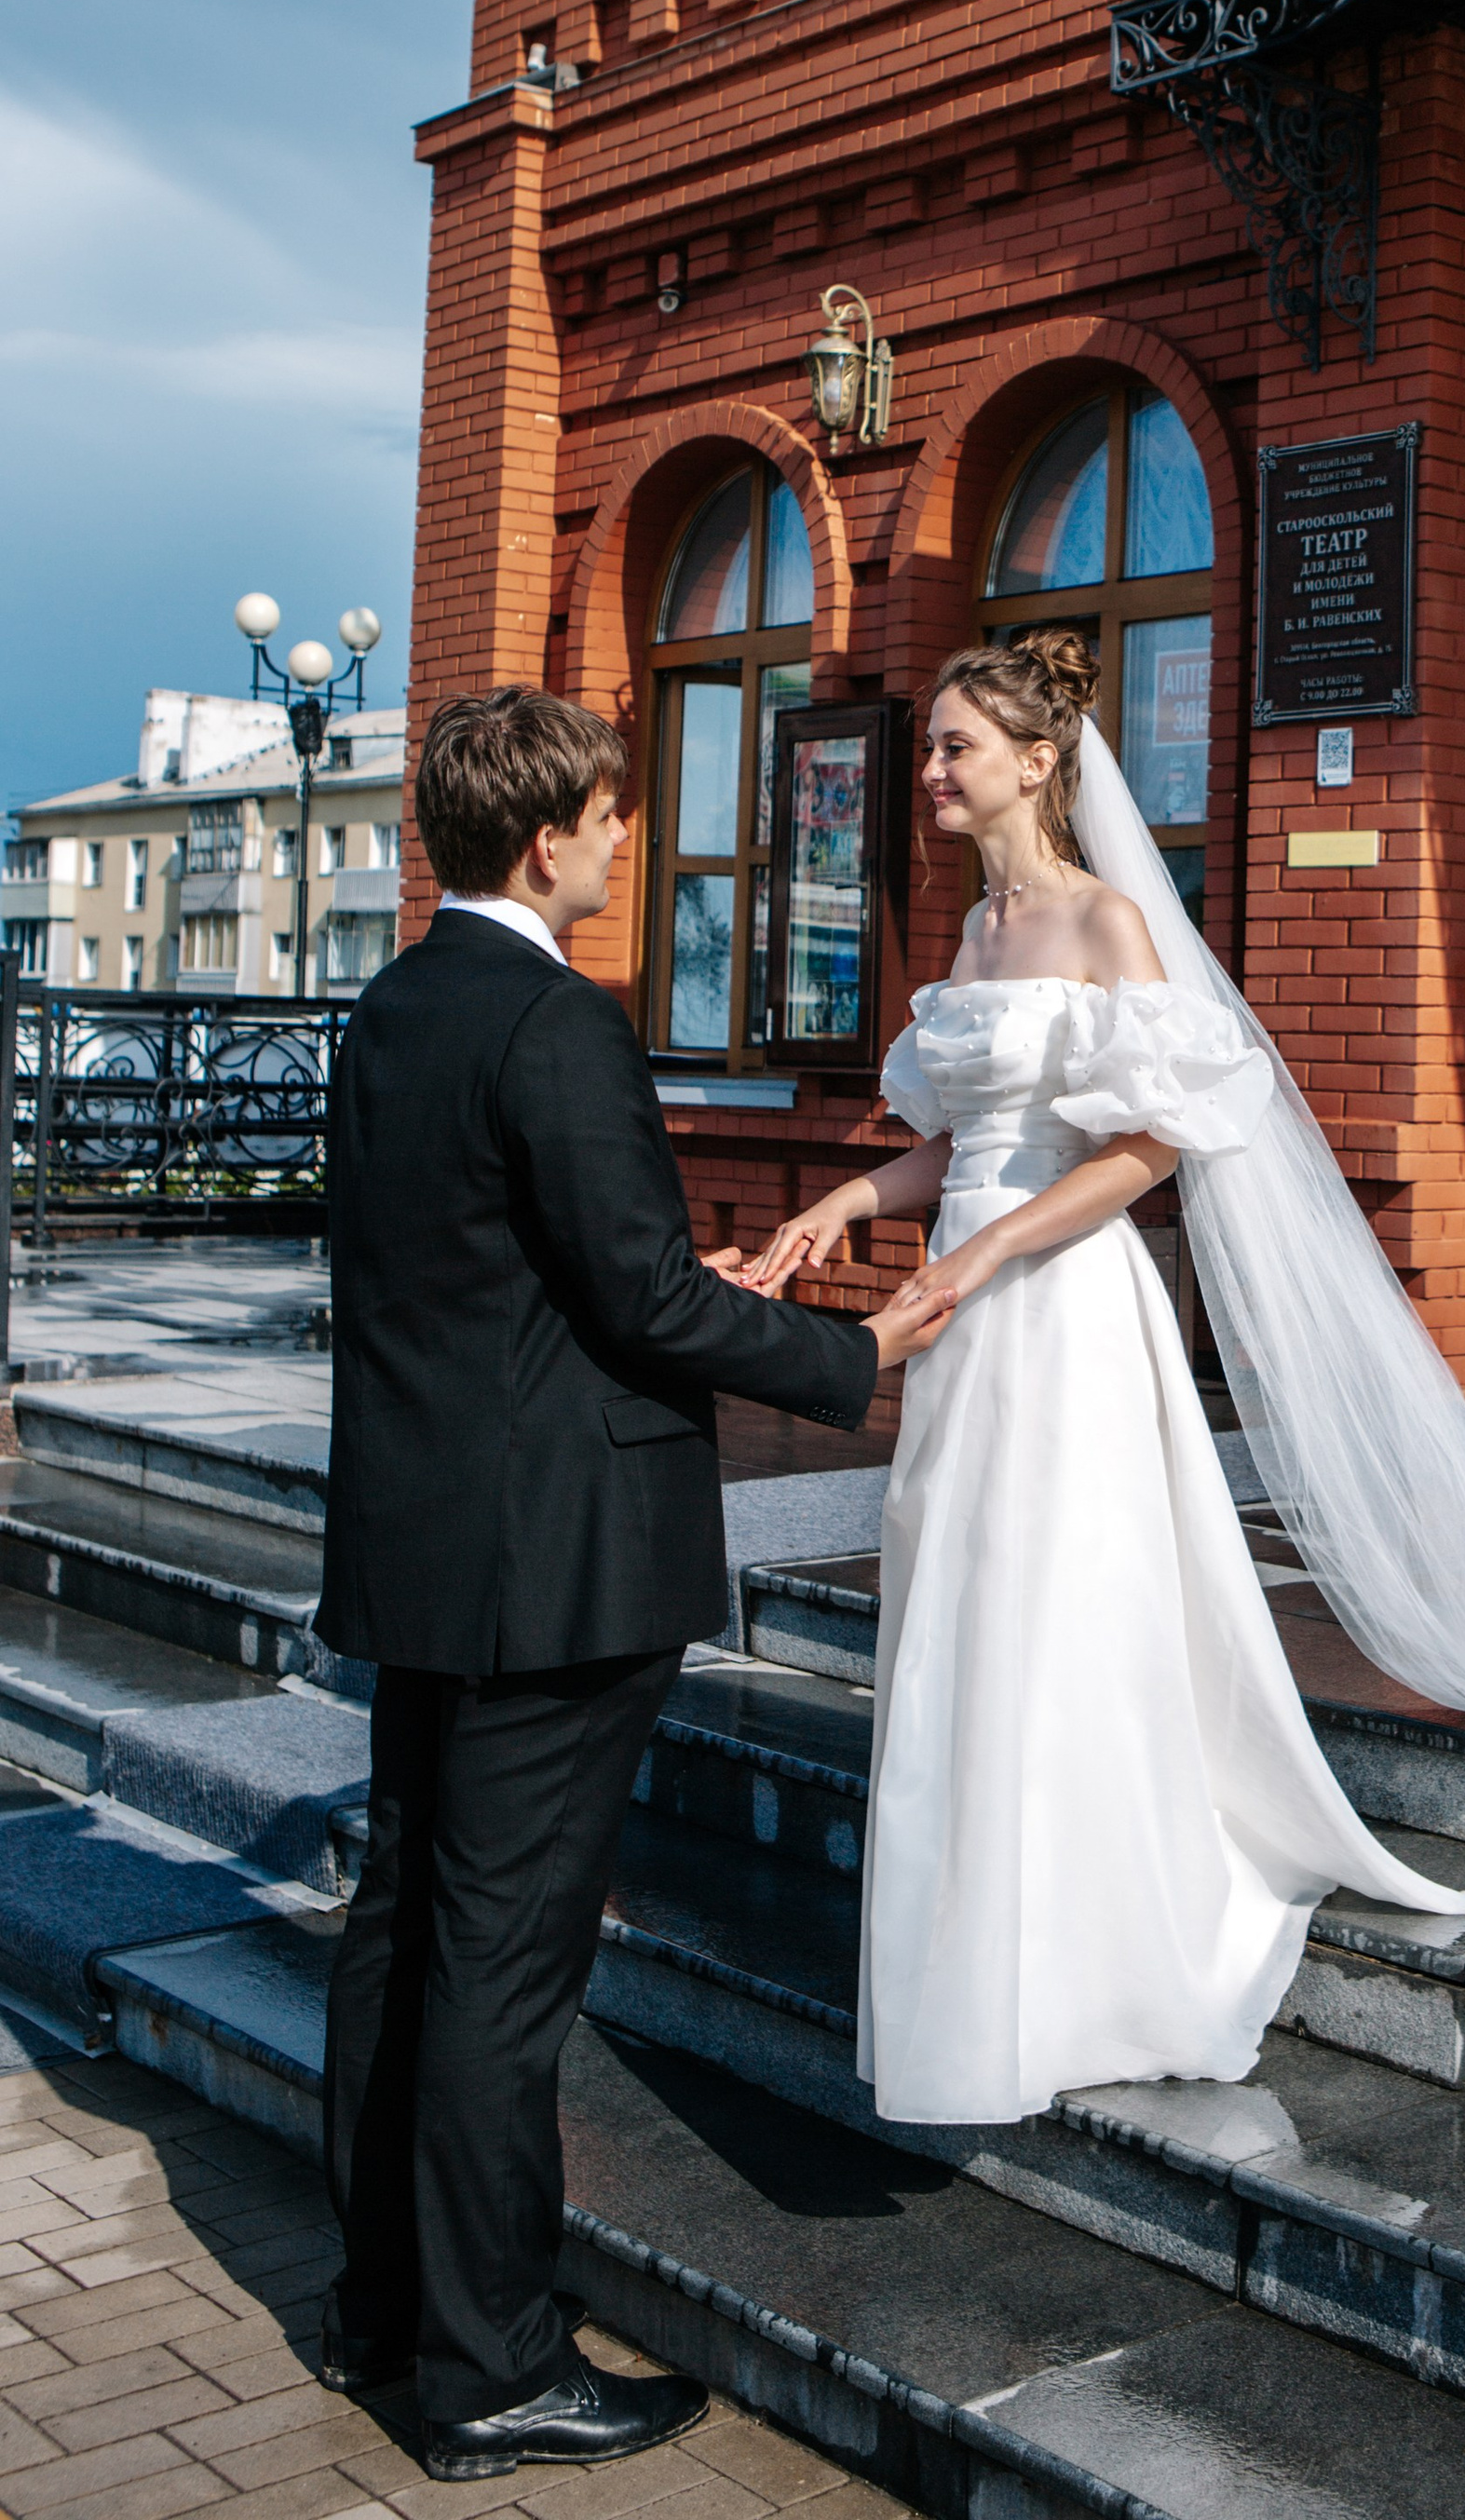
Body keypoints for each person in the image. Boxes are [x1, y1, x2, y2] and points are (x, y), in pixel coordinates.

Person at [741, 635, 1465, 2130]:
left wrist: (977, 1261)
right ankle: (974, 1944)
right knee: (964, 1597)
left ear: (1040, 760)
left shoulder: (1110, 920)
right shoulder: (978, 932)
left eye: (954, 747)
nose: (930, 770)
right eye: (930, 748)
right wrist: (848, 1208)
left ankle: (1105, 1946)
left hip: (1057, 1305)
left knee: (1063, 1596)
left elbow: (1148, 1149)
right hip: (964, 1312)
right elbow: (968, 1142)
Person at [315, 685, 955, 2482]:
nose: (626, 837)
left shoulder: (394, 1007)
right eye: (610, 813)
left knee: (406, 1934)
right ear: (547, 837)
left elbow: (509, 1271)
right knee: (503, 1971)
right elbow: (642, 1303)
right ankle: (493, 2366)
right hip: (556, 1566)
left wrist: (674, 1272)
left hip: (428, 1544)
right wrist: (857, 1343)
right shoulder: (556, 1024)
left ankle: (388, 2304)